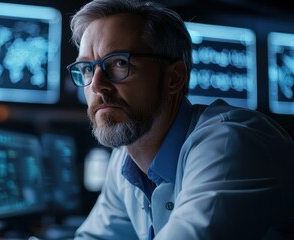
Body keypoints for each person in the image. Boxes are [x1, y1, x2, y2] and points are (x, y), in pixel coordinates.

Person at [66, 0, 294, 239]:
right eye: (87, 69)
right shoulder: (125, 159)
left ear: (174, 78)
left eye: (119, 63)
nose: (97, 84)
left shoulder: (230, 144)